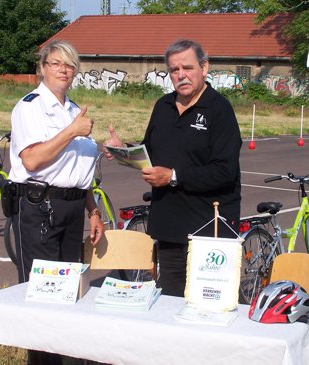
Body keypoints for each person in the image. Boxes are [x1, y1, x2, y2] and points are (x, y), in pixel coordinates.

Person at [104, 39, 242, 297]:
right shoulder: (163, 106)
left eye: (187, 68)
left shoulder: (219, 109)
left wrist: (173, 177)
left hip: (208, 230)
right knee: (169, 300)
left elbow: (225, 172)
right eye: (174, 70)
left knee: (208, 303)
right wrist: (124, 148)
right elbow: (150, 152)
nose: (181, 75)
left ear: (204, 67)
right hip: (168, 225)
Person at [9, 40, 104, 364]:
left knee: (66, 296)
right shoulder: (30, 107)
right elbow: (33, 160)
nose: (63, 70)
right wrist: (72, 131)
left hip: (73, 207)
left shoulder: (73, 109)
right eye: (55, 63)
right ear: (42, 68)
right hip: (40, 209)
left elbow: (77, 169)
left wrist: (93, 209)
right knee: (42, 297)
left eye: (69, 64)